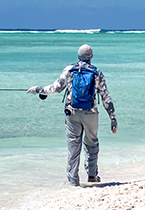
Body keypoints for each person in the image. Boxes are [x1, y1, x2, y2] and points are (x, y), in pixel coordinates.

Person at [27, 44, 118, 186]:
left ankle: (73, 181)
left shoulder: (69, 70)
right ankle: (92, 175)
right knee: (92, 144)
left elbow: (55, 89)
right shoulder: (97, 73)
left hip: (72, 113)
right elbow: (106, 97)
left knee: (73, 147)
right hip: (91, 113)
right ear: (91, 56)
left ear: (78, 56)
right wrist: (113, 118)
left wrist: (37, 89)